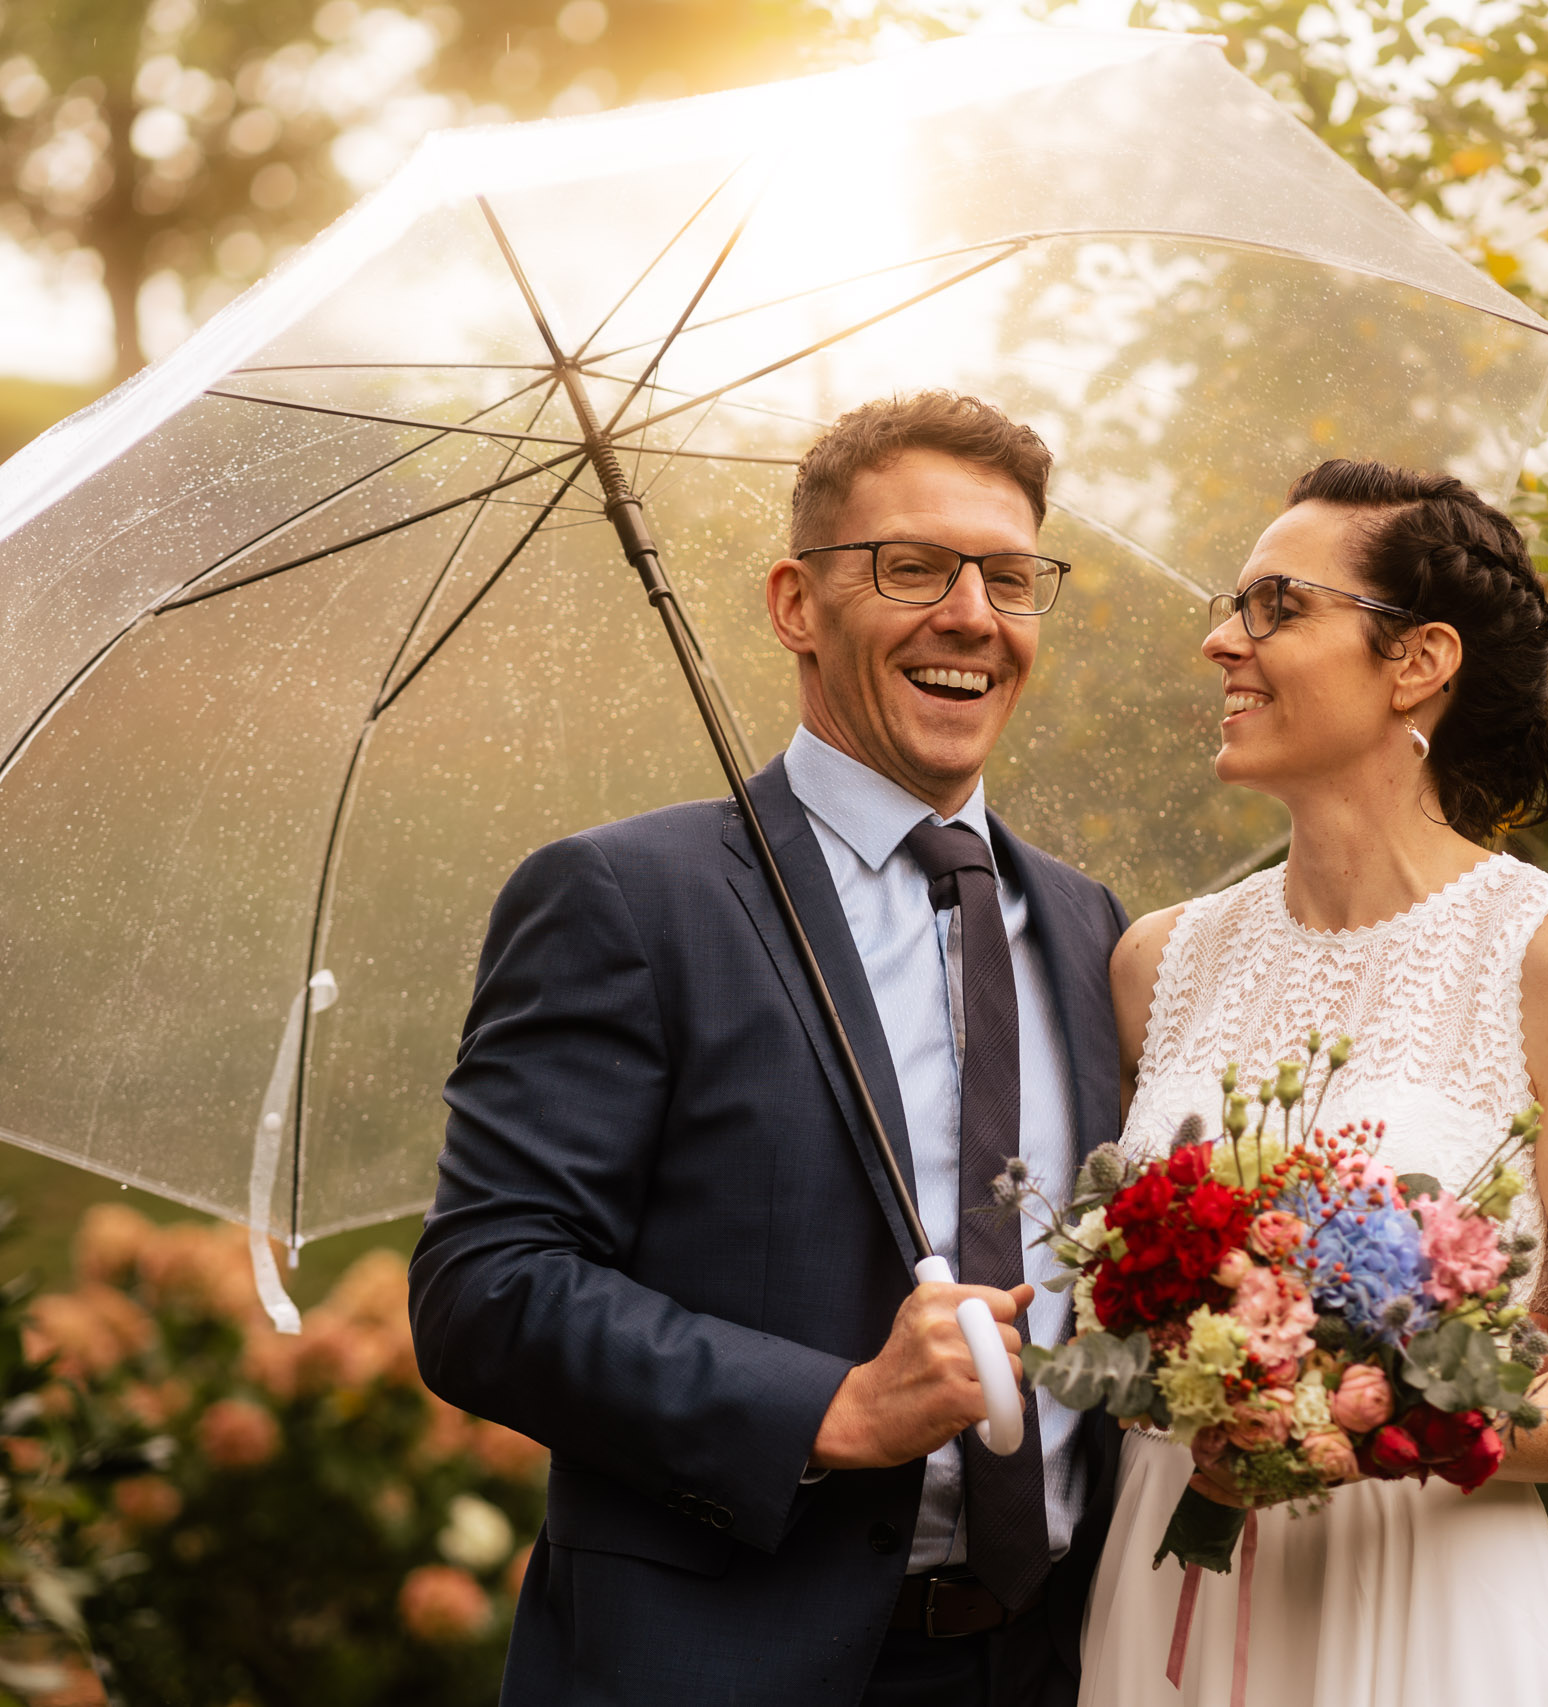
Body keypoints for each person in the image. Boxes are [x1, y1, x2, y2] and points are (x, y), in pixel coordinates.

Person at [410, 392, 1131, 1707]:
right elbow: (485, 1287)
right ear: (797, 602)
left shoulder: (1091, 927)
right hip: (721, 1667)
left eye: (1011, 577)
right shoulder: (627, 898)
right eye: (913, 566)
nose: (972, 615)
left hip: (1048, 1663)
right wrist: (828, 1406)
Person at [1077, 462, 1548, 1705]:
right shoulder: (1159, 961)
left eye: (1275, 605)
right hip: (1169, 1588)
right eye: (1232, 605)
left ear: (1417, 661)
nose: (1222, 641)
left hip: (1425, 1598)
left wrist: (1385, 1423)